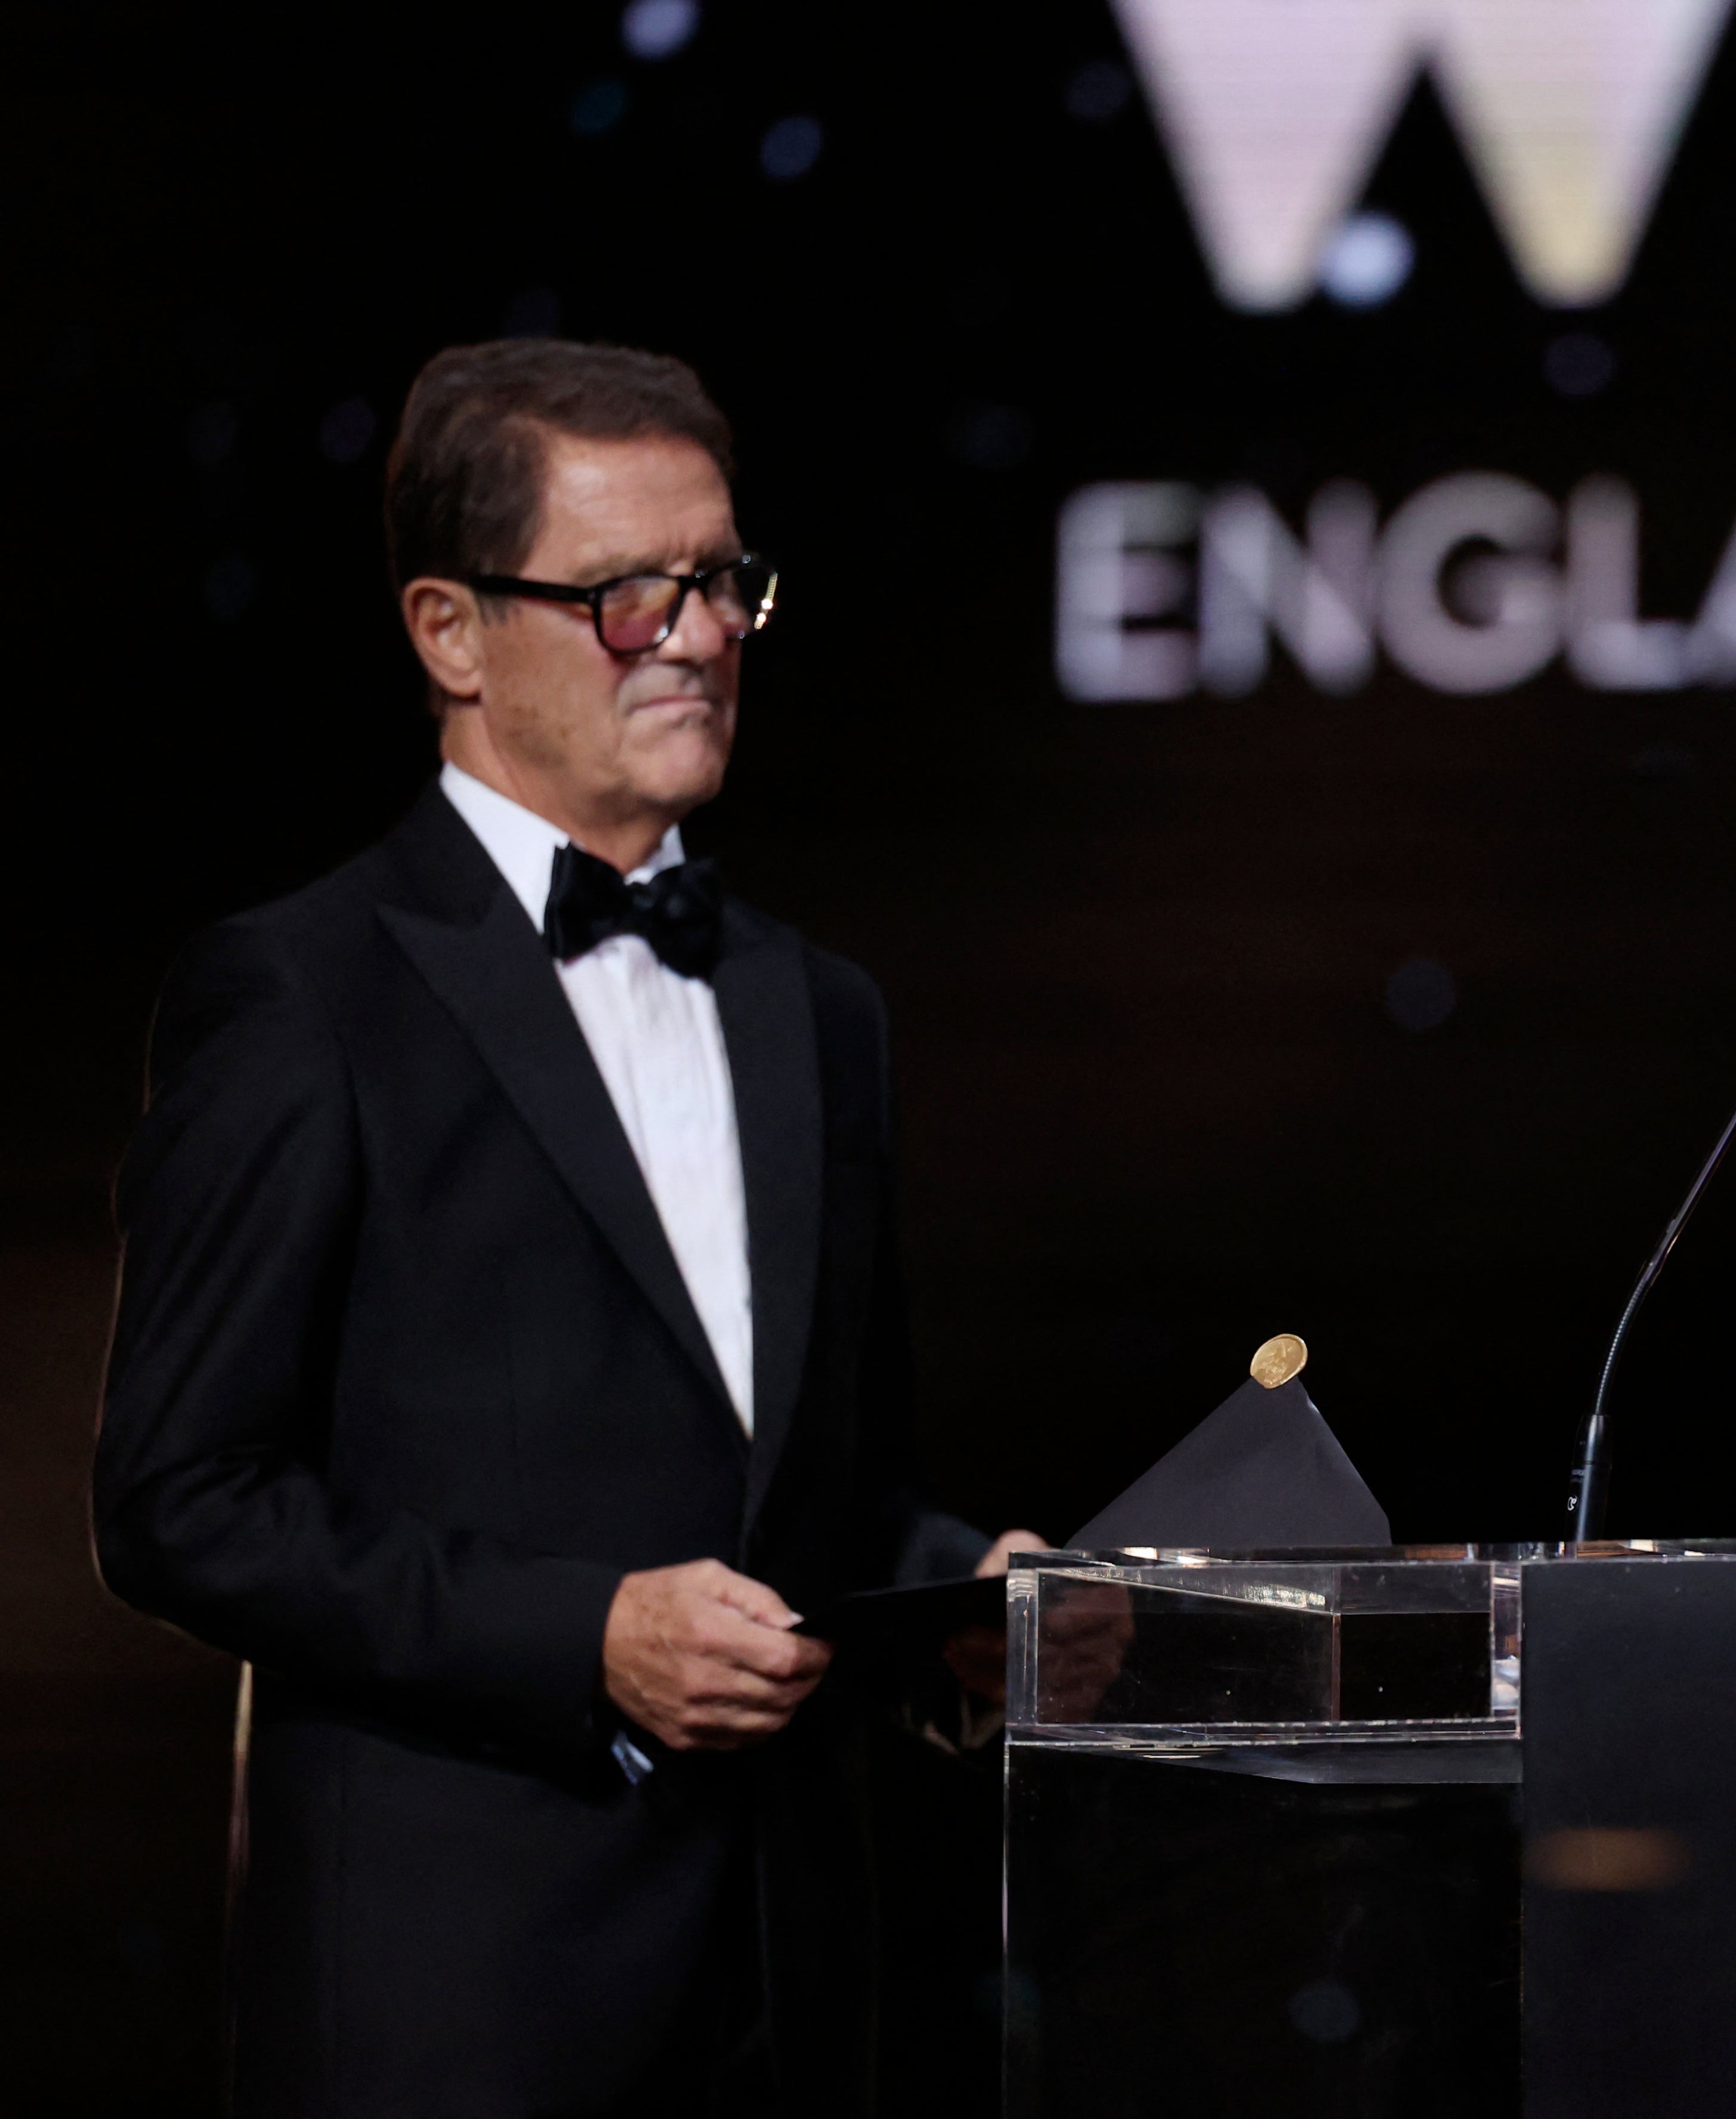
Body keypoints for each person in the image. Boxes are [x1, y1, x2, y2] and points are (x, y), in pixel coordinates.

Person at [93, 340, 1042, 2118]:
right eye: (626, 596)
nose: (695, 634)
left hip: (794, 1988)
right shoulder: (304, 993)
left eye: (721, 582)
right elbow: (178, 1505)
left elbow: (821, 1486)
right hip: (458, 2007)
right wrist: (580, 1636)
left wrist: (963, 1599)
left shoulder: (816, 1008)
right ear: (450, 633)